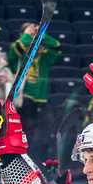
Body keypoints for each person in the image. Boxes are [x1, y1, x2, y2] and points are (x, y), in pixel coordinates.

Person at [8, 21, 61, 155]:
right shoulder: (18, 51)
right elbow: (15, 51)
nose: (32, 37)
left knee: (44, 132)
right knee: (26, 131)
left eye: (34, 35)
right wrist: (26, 34)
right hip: (23, 100)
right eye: (30, 34)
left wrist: (40, 35)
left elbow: (56, 46)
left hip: (41, 99)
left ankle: (41, 157)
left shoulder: (43, 54)